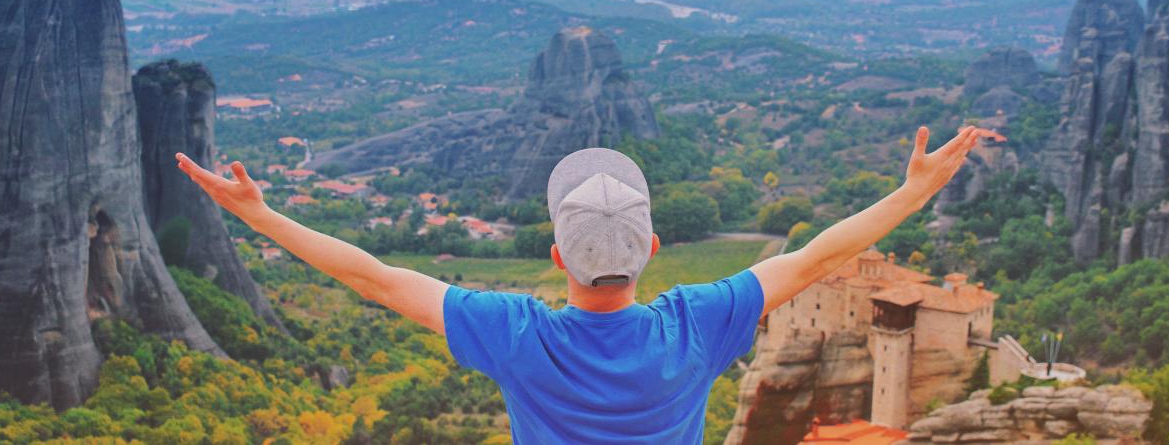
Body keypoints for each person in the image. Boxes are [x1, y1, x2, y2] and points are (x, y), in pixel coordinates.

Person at [176, 122, 1003, 444]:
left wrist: (260, 215)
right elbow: (820, 257)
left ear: (557, 253)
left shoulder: (516, 334)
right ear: (649, 245)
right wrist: (916, 188)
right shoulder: (697, 323)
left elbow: (376, 279)